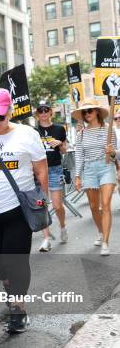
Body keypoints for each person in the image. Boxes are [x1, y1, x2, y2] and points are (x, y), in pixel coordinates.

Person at [0, 88, 48, 333]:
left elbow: (41, 170)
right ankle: (8, 284)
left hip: (17, 210)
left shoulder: (28, 135)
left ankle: (18, 307)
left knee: (17, 261)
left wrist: (42, 201)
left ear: (10, 112)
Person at [72, 101, 117, 256]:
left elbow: (116, 155)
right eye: (84, 112)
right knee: (93, 206)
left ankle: (105, 241)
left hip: (106, 167)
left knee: (105, 205)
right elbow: (79, 156)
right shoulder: (81, 134)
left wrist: (112, 152)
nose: (87, 114)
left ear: (97, 111)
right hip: (89, 170)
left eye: (89, 110)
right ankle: (100, 231)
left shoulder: (109, 130)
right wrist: (77, 176)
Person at [35, 101, 68, 251]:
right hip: (37, 171)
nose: (43, 113)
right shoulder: (33, 131)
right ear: (37, 114)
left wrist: (59, 144)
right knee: (41, 205)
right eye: (40, 111)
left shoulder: (59, 129)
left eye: (46, 110)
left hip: (55, 169)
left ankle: (62, 227)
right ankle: (47, 238)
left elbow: (64, 151)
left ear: (50, 112)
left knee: (57, 205)